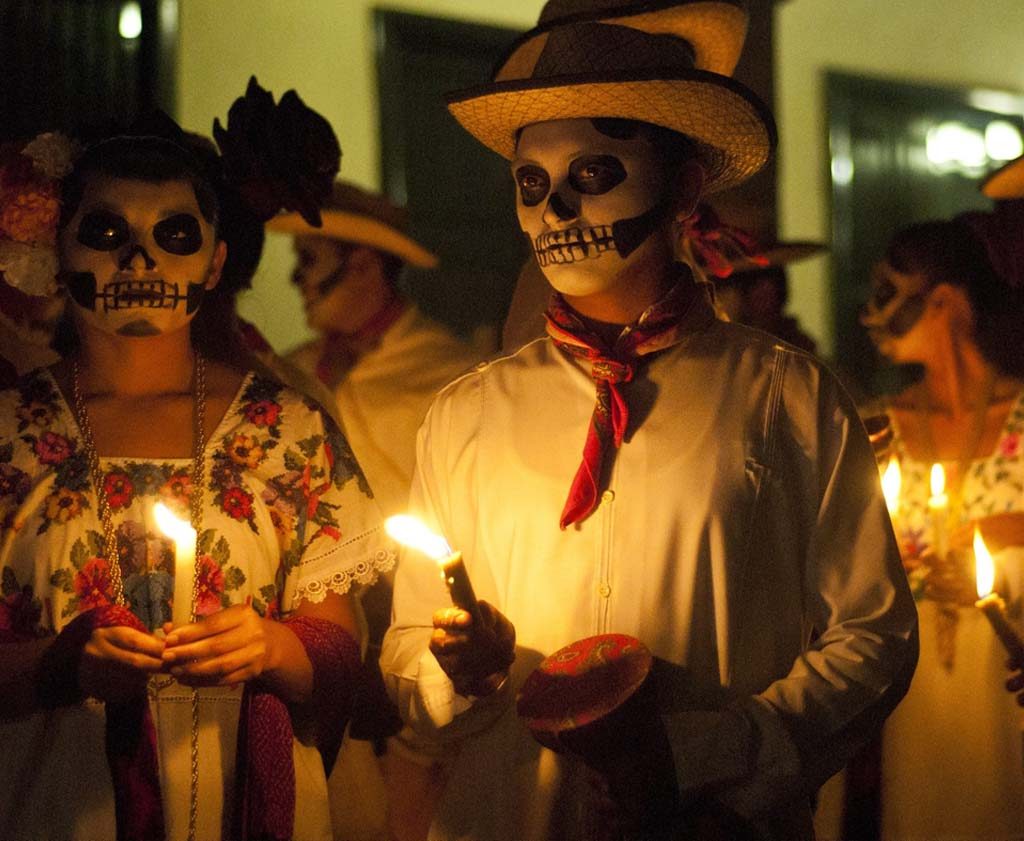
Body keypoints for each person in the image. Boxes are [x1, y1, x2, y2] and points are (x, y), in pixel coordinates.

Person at [380, 2, 918, 839]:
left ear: (686, 182)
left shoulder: (788, 397)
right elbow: (410, 657)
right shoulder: (466, 415)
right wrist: (458, 669)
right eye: (532, 183)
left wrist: (707, 752)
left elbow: (875, 633)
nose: (555, 211)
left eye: (593, 173)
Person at [0, 85, 394, 841]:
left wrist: (273, 645)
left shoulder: (287, 430)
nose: (139, 258)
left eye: (173, 233)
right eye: (106, 230)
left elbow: (342, 648)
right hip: (53, 801)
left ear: (214, 263)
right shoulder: (9, 433)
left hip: (238, 794)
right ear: (57, 250)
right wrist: (63, 664)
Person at [859, 216, 1024, 840]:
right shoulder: (876, 429)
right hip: (917, 697)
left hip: (1006, 682)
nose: (870, 314)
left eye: (887, 292)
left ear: (946, 302)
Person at [269, 181, 480, 519]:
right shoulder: (291, 371)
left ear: (363, 267)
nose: (296, 278)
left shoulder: (452, 375)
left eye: (308, 259)